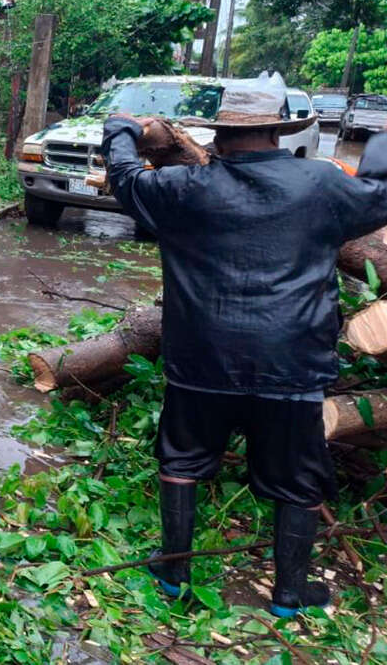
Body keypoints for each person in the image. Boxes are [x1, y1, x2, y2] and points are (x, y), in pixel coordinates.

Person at [101, 72, 387, 618]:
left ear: (219, 136)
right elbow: (381, 195)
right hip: (293, 362)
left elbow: (126, 179)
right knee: (297, 479)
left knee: (182, 459)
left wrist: (119, 128)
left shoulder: (185, 190)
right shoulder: (322, 184)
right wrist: (380, 143)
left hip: (201, 359)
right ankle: (288, 593)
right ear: (279, 132)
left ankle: (175, 572)